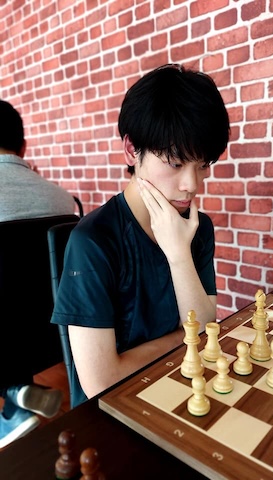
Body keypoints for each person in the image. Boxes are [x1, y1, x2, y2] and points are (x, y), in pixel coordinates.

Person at [51, 64, 230, 408]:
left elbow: (206, 331)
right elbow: (100, 382)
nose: (192, 184)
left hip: (180, 390)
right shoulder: (93, 241)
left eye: (203, 165)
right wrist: (182, 339)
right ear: (132, 150)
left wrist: (179, 254)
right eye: (177, 163)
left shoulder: (197, 227)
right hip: (110, 416)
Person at [0, 99, 77, 449]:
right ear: (23, 145)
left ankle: (10, 415)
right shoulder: (64, 202)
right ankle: (17, 394)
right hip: (53, 336)